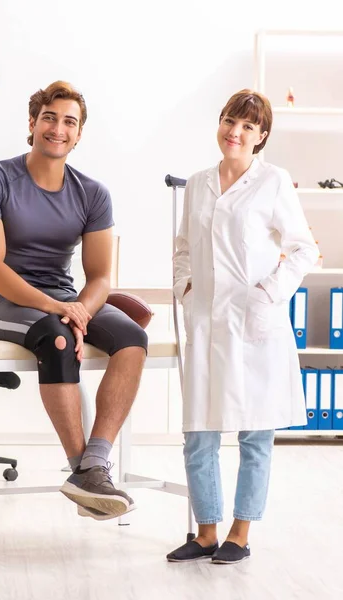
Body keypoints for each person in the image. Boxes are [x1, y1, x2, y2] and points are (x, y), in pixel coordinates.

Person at [0, 81, 148, 520]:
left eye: (70, 121)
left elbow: (101, 274)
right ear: (32, 124)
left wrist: (80, 307)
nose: (58, 128)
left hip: (63, 300)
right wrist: (61, 311)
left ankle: (94, 465)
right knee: (59, 339)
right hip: (0, 300)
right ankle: (79, 471)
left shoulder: (93, 193)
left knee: (132, 338)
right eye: (50, 117)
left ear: (80, 133)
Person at [167, 89, 318, 564]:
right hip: (208, 325)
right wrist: (186, 289)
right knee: (199, 434)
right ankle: (206, 532)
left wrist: (267, 294)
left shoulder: (274, 181)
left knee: (255, 436)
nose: (236, 131)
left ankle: (240, 533)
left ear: (262, 136)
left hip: (255, 327)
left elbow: (304, 250)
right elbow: (184, 248)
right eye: (230, 120)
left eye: (249, 126)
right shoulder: (197, 183)